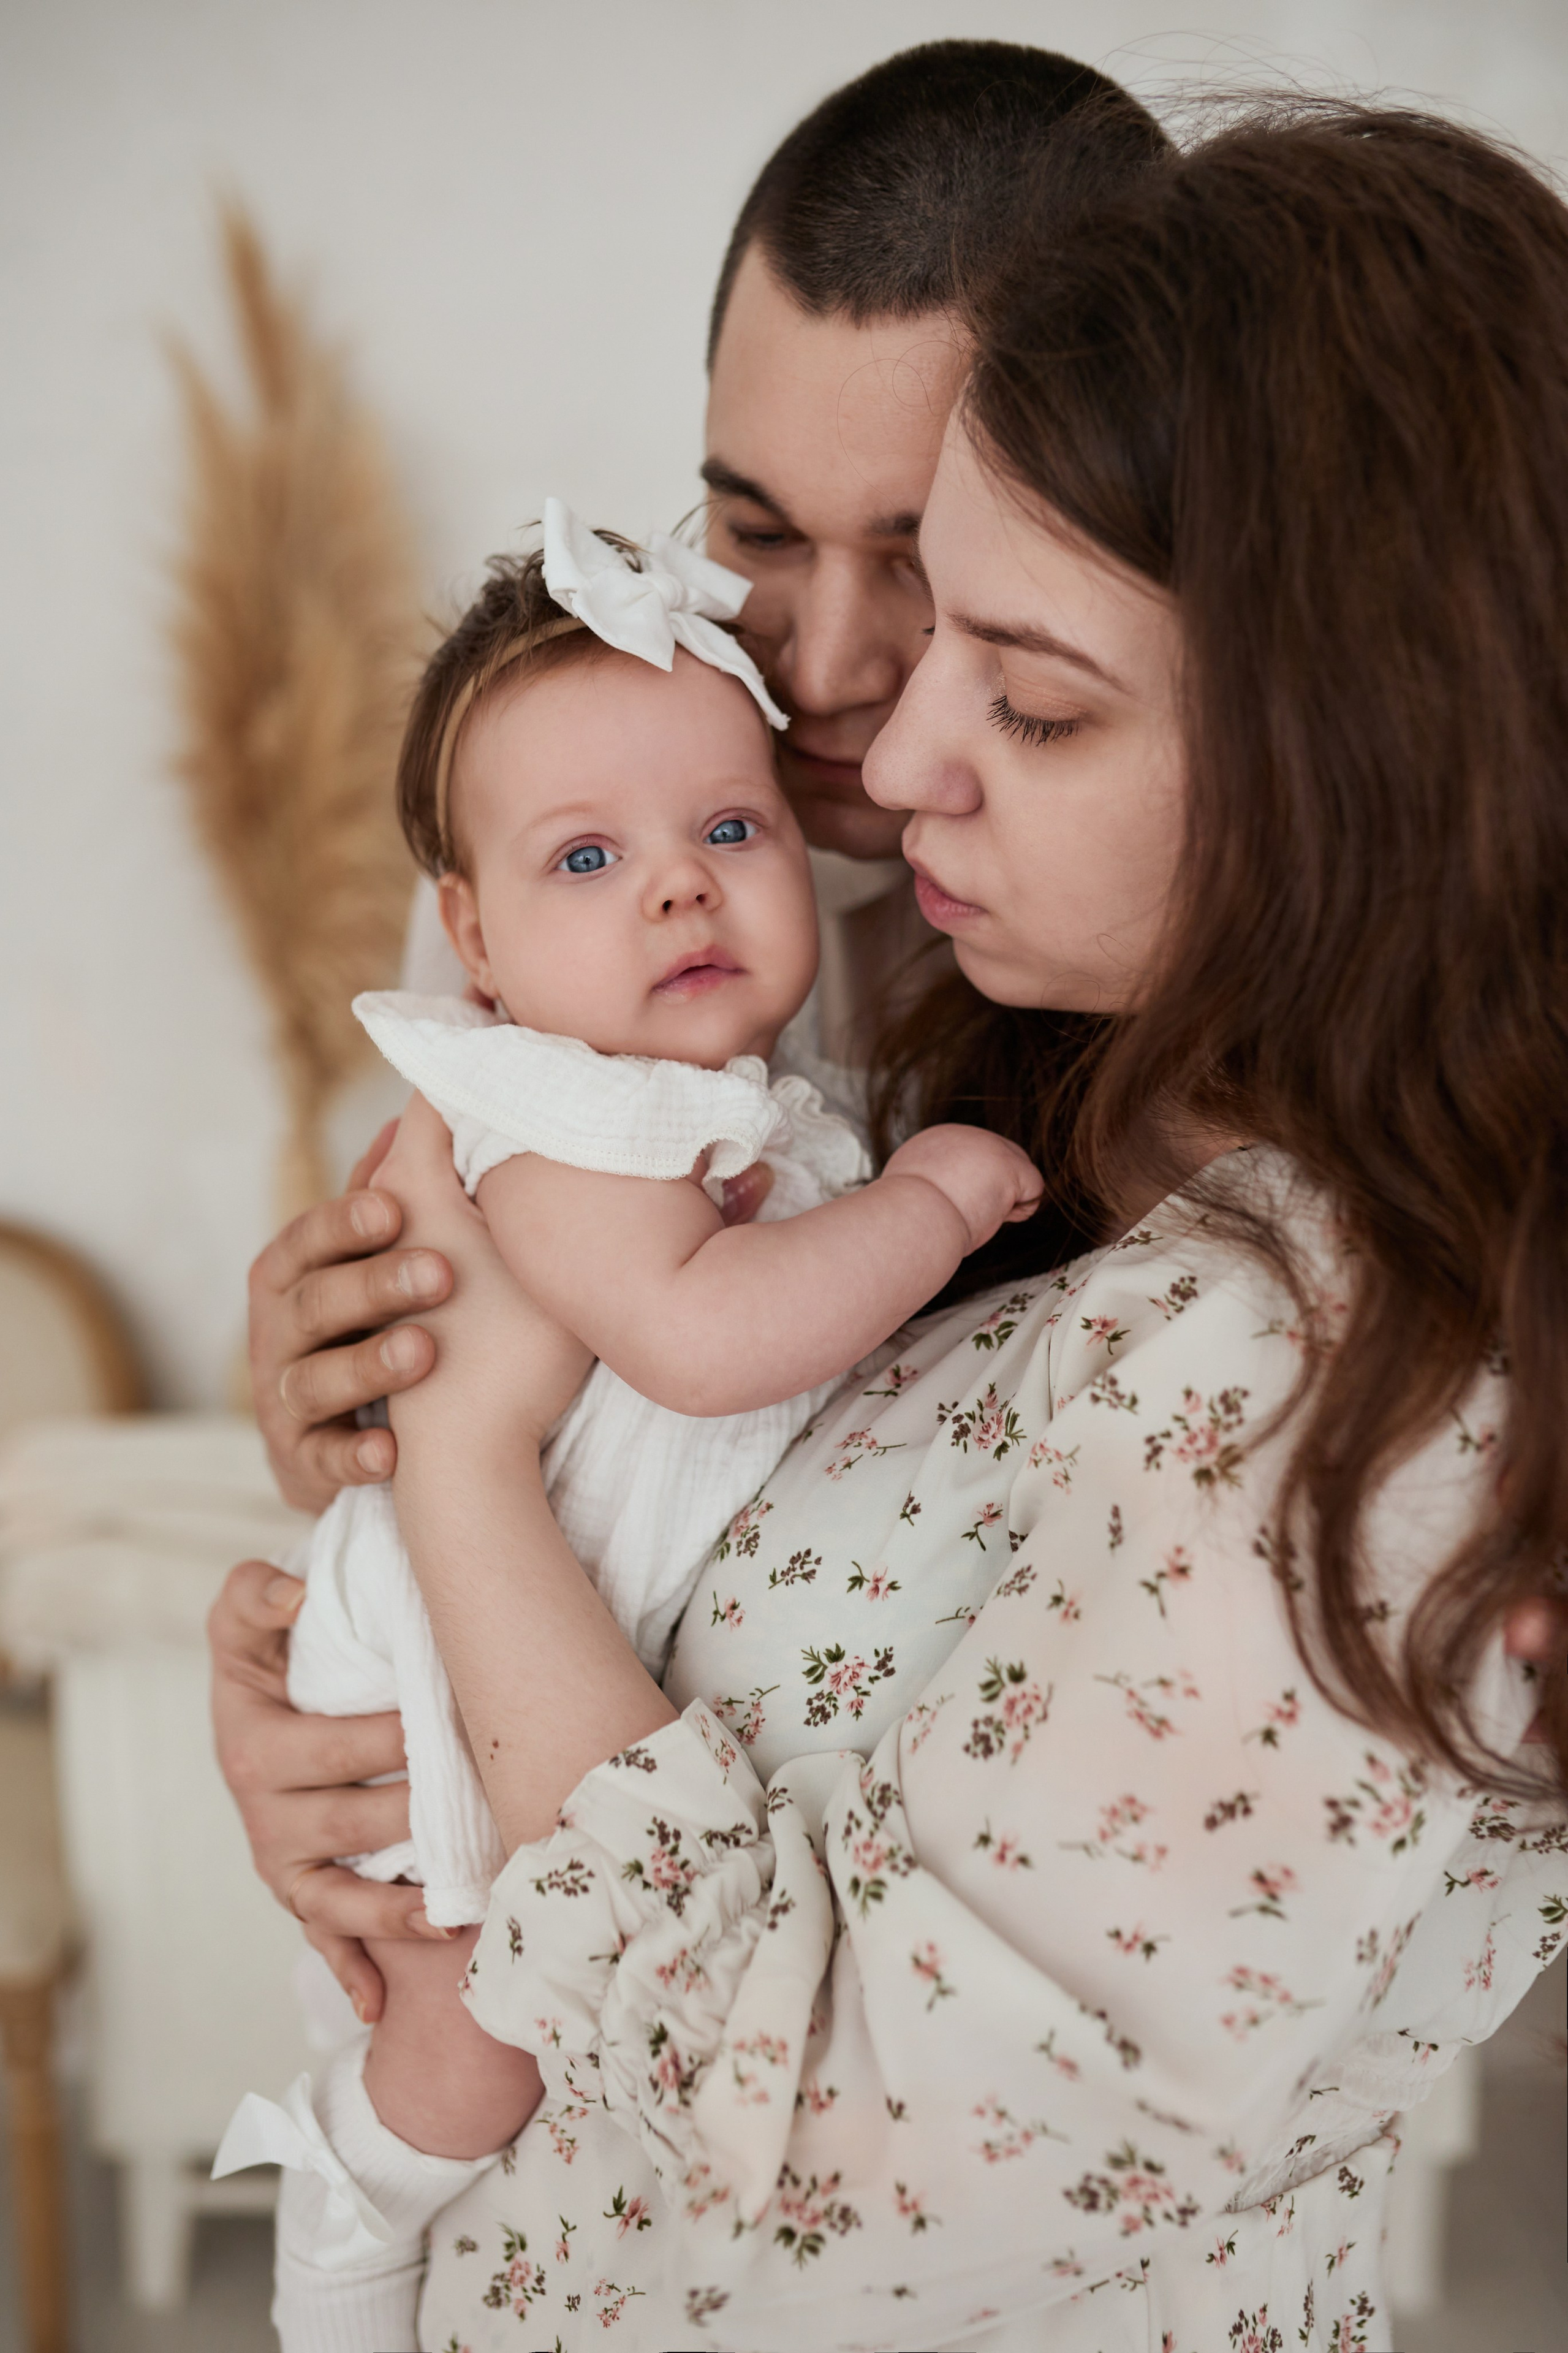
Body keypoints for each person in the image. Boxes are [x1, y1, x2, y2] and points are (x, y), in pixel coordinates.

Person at [354, 98, 1568, 2347]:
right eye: (769, 544)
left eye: (1020, 686)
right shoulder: (940, 1043)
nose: (874, 739)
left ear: (1363, 761)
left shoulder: (1325, 1370)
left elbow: (851, 2159)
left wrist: (459, 1483)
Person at [216, 37, 1172, 2020]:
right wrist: (322, 1619)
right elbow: (452, 1400)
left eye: (918, 555)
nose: (813, 666)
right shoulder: (602, 825)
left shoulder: (1165, 927)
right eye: (753, 523)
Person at [222, 506, 1038, 2352]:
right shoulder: (569, 1125)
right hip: (455, 1653)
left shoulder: (735, 1100)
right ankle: (342, 2229)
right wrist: (922, 1206)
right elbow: (693, 1338)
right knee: (463, 2052)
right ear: (475, 942)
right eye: (587, 856)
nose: (679, 886)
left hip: (568, 1632)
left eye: (725, 831)